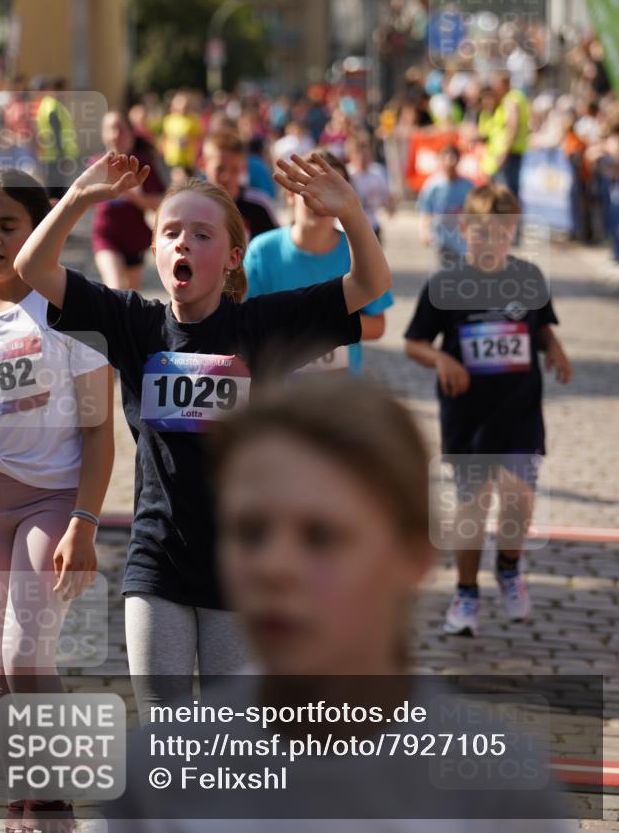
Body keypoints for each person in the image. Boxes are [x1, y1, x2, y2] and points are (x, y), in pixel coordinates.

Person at [107, 375, 574, 833]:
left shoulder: (499, 793)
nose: (274, 567)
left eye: (321, 536)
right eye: (249, 532)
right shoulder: (157, 776)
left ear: (414, 554)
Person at [14, 148, 392, 717]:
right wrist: (79, 199)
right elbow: (32, 269)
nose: (183, 242)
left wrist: (351, 215)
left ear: (234, 257)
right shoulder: (134, 324)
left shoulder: (261, 326)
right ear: (156, 252)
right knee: (166, 725)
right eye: (170, 233)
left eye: (201, 233)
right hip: (156, 560)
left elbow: (368, 286)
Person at [0, 168, 114, 833]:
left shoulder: (69, 313)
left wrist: (83, 520)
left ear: (38, 227)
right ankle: (27, 799)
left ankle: (55, 801)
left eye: (8, 224)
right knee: (3, 664)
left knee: (26, 654)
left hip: (51, 498)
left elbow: (100, 430)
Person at [404, 184, 572, 637]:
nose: (491, 242)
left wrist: (555, 351)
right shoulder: (446, 284)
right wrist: (441, 358)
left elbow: (542, 328)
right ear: (464, 230)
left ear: (512, 232)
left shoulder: (529, 278)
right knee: (471, 509)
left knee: (520, 501)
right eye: (481, 233)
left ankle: (509, 567)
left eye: (502, 233)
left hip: (520, 411)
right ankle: (465, 593)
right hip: (467, 416)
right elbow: (414, 343)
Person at [244, 150, 393, 374]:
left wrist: (316, 330)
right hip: (277, 392)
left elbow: (378, 325)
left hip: (338, 393)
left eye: (331, 191)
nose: (319, 201)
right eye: (311, 187)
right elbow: (245, 319)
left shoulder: (357, 250)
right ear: (290, 194)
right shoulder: (262, 250)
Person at [91, 110, 166, 290]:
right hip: (106, 237)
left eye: (120, 129)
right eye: (109, 129)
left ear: (132, 134)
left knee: (131, 295)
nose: (115, 135)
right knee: (115, 288)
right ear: (102, 134)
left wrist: (136, 197)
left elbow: (161, 204)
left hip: (135, 239)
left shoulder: (141, 163)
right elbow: (82, 199)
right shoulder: (96, 164)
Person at [200, 130, 278, 241]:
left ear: (244, 168)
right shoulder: (191, 205)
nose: (226, 176)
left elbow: (273, 246)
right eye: (220, 169)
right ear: (203, 165)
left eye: (234, 170)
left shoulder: (259, 205)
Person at [416, 143, 473, 266]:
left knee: (462, 272)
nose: (449, 162)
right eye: (445, 157)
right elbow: (426, 210)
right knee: (445, 273)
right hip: (441, 238)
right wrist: (424, 231)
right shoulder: (433, 185)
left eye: (453, 158)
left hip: (462, 239)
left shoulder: (468, 186)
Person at [481, 73, 530, 200]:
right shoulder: (516, 97)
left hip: (509, 152)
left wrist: (504, 153)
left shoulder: (511, 99)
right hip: (511, 151)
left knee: (505, 193)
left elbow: (512, 126)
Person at [345, 131, 393, 241]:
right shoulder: (347, 174)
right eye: (359, 155)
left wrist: (390, 207)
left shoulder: (377, 172)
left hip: (372, 225)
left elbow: (387, 194)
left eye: (366, 154)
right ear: (351, 155)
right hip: (349, 228)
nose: (363, 159)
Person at [161, 90, 203, 174]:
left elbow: (199, 138)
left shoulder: (194, 119)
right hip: (171, 159)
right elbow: (165, 137)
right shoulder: (169, 119)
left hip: (188, 159)